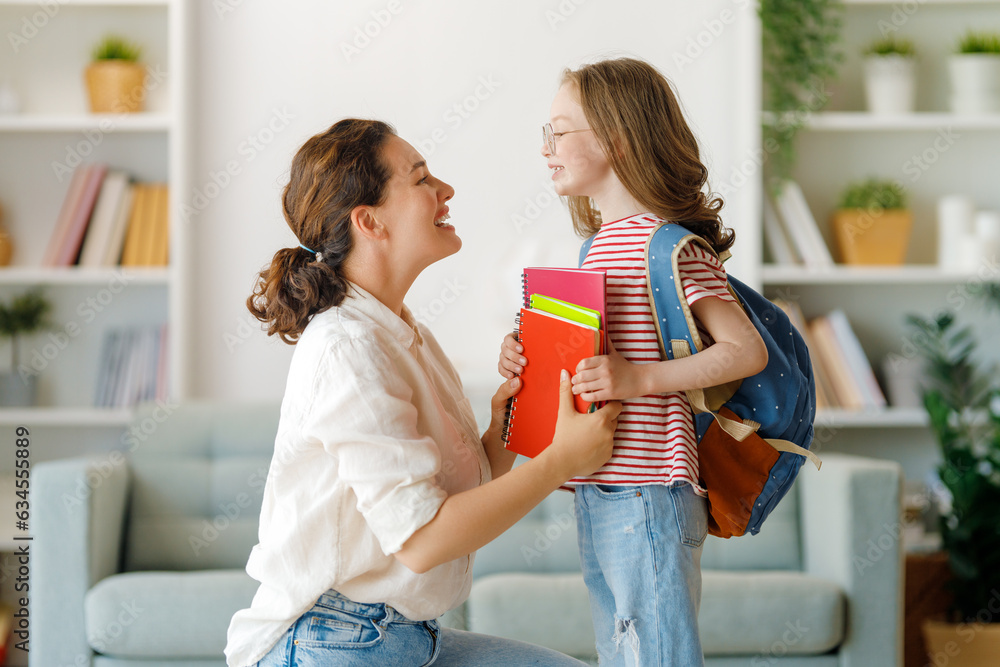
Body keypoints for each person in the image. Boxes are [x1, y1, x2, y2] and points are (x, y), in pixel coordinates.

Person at [225, 118, 622, 667]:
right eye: (420, 180)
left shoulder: (405, 333)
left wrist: (502, 433)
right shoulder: (347, 349)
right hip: (329, 642)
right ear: (370, 221)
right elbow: (423, 540)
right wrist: (560, 462)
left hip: (401, 637)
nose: (445, 190)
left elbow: (442, 505)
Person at [498, 57, 769, 666]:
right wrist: (527, 356)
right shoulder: (594, 248)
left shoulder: (668, 247)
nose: (546, 148)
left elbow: (744, 351)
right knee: (624, 650)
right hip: (596, 482)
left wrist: (639, 378)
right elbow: (594, 362)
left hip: (650, 485)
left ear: (616, 137)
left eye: (558, 131)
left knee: (658, 654)